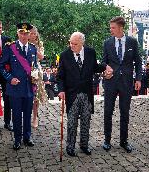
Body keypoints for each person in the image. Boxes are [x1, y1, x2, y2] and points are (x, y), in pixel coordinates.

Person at [57, 32, 108, 156]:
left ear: (82, 43)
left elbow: (95, 67)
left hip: (87, 93)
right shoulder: (64, 55)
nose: (72, 45)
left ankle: (84, 145)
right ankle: (70, 147)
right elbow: (60, 76)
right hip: (71, 94)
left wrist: (106, 67)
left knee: (86, 120)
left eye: (75, 44)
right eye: (70, 43)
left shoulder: (91, 52)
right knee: (72, 122)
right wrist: (61, 90)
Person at [102, 16, 142, 153]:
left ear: (120, 28)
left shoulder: (132, 42)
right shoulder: (107, 43)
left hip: (126, 82)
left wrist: (138, 79)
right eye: (110, 27)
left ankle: (124, 141)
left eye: (113, 27)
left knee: (125, 112)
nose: (110, 30)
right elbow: (104, 62)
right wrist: (105, 70)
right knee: (108, 111)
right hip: (110, 82)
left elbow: (138, 62)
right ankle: (107, 140)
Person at [0, 22, 37, 150]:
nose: (24, 36)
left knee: (27, 114)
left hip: (28, 88)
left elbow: (34, 67)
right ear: (17, 33)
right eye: (21, 33)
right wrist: (10, 78)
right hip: (15, 88)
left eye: (26, 33)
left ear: (29, 34)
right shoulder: (10, 48)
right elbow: (1, 67)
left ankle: (27, 137)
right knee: (16, 115)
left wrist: (35, 75)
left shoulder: (32, 48)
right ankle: (17, 139)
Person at [28, 26, 48, 128]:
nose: (32, 35)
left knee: (36, 96)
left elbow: (41, 57)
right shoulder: (23, 43)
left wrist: (34, 48)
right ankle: (26, 116)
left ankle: (35, 117)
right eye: (30, 33)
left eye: (34, 33)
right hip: (25, 69)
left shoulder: (39, 44)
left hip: (36, 70)